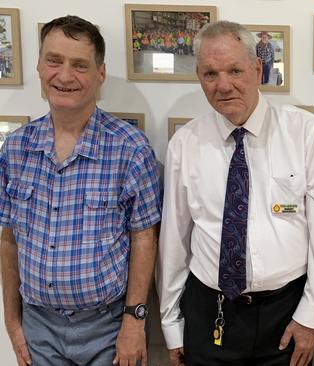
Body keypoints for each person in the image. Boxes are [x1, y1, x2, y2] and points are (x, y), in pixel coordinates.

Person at [157, 20, 314, 366]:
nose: (223, 85)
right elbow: (174, 241)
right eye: (210, 74)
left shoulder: (305, 133)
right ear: (199, 77)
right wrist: (171, 324)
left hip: (286, 313)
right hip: (209, 311)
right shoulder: (185, 143)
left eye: (235, 70)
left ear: (257, 70)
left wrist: (313, 316)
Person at [0, 15, 161, 366]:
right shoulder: (14, 150)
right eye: (54, 60)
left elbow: (144, 238)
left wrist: (135, 321)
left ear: (99, 75)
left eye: (80, 65)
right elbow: (8, 239)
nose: (65, 75)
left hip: (109, 327)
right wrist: (12, 322)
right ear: (39, 67)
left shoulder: (130, 148)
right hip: (38, 327)